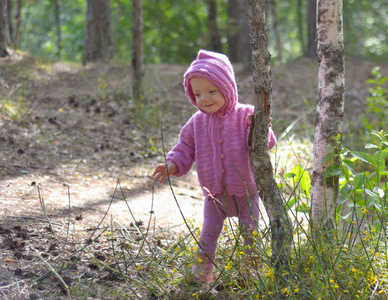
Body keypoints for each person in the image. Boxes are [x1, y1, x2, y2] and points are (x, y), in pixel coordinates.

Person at [153, 50, 276, 283]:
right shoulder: (196, 122)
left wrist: (261, 128)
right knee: (208, 234)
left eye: (212, 91)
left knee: (251, 234)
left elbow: (266, 143)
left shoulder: (246, 114)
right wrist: (172, 164)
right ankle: (202, 273)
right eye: (197, 94)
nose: (205, 99)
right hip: (213, 193)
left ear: (227, 89)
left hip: (247, 190)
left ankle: (251, 272)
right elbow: (184, 147)